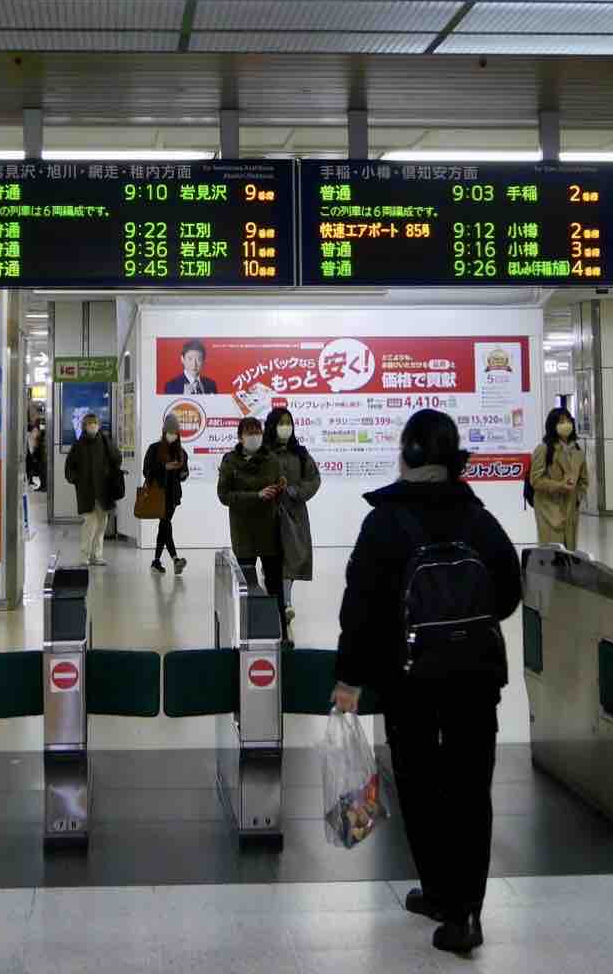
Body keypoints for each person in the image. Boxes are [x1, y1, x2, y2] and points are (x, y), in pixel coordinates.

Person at [331, 409, 523, 956]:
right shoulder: (477, 517)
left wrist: (349, 677)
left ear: (408, 455)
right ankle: (465, 911)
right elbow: (508, 589)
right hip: (475, 676)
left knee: (416, 781)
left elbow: (359, 609)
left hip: (406, 678)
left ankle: (442, 893)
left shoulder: (384, 521)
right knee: (469, 788)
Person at [215, 416, 285, 617]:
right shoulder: (230, 461)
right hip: (243, 532)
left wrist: (280, 486)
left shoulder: (272, 459)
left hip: (270, 530)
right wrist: (256, 495)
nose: (254, 436)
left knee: (275, 584)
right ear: (240, 437)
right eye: (249, 432)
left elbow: (279, 484)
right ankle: (246, 630)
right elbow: (224, 495)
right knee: (246, 585)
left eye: (257, 431)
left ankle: (281, 630)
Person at [262, 406, 321, 641]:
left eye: (289, 422)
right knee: (273, 561)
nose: (286, 427)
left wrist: (297, 491)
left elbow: (314, 479)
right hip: (268, 515)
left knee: (293, 558)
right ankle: (279, 601)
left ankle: (285, 602)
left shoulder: (301, 453)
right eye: (281, 422)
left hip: (295, 515)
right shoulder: (264, 453)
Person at [65, 412, 121, 567]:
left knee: (102, 523)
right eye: (90, 424)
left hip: (104, 490)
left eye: (95, 424)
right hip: (87, 490)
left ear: (98, 426)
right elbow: (69, 467)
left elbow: (117, 458)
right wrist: (76, 480)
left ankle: (97, 555)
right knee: (90, 523)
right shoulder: (78, 445)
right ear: (84, 426)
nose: (92, 427)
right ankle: (85, 556)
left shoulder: (105, 442)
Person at [530, 406, 588, 547]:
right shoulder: (544, 449)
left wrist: (578, 498)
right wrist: (560, 486)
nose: (566, 425)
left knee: (569, 553)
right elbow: (536, 480)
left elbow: (584, 479)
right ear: (552, 425)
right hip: (549, 509)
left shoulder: (578, 450)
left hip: (570, 509)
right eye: (561, 422)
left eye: (568, 421)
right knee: (553, 554)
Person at [143, 414, 190, 574]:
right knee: (165, 524)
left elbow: (184, 474)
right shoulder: (154, 449)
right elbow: (146, 471)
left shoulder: (181, 452)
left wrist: (182, 472)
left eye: (175, 432)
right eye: (170, 431)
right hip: (158, 493)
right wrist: (165, 467)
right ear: (164, 432)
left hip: (173, 495)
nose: (173, 435)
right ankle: (174, 559)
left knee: (164, 524)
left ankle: (157, 561)